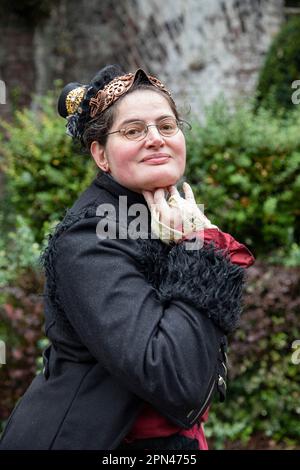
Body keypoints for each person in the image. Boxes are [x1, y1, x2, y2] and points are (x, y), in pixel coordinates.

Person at [0, 65, 255, 450]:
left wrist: (193, 242)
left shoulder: (162, 216)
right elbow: (171, 374)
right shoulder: (89, 237)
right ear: (101, 155)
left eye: (167, 126)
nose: (156, 139)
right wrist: (196, 247)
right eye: (133, 130)